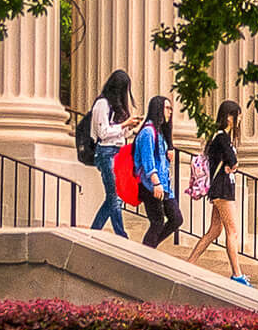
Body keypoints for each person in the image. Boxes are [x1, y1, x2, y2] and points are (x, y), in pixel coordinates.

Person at [184, 99, 249, 285]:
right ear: (229, 117)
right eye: (237, 116)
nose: (239, 120)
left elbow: (232, 163)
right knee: (232, 231)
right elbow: (233, 161)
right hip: (222, 189)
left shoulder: (218, 137)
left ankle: (190, 262)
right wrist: (233, 165)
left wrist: (232, 165)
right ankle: (237, 274)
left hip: (219, 189)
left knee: (214, 231)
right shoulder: (222, 138)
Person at [87, 69, 142, 237]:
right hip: (106, 151)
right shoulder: (102, 104)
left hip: (118, 151)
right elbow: (102, 133)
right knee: (114, 195)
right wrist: (124, 124)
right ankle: (121, 235)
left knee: (115, 196)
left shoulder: (113, 106)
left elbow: (120, 133)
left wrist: (130, 128)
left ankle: (94, 231)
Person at [132, 94, 183, 249]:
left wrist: (170, 149)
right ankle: (145, 254)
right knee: (157, 222)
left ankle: (148, 249)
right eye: (167, 108)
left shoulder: (160, 133)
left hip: (164, 184)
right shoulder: (148, 132)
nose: (170, 112)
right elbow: (147, 160)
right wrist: (156, 182)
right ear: (158, 108)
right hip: (151, 185)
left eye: (171, 109)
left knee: (176, 219)